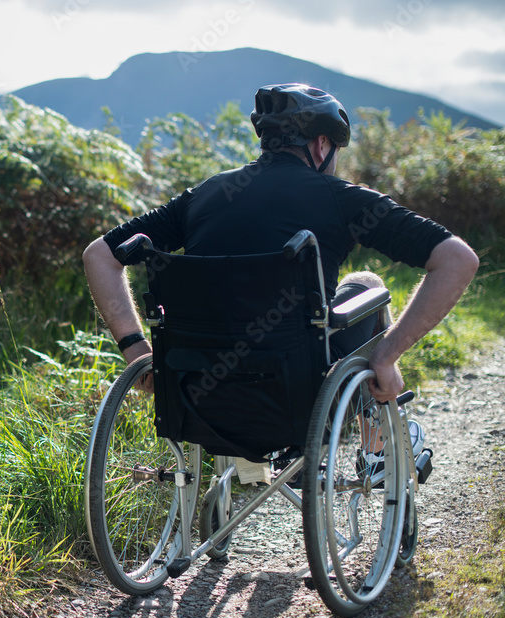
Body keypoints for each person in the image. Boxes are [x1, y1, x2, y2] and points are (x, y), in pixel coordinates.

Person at [83, 83, 479, 457]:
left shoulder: (201, 197)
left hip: (193, 395)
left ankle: (243, 468)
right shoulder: (344, 200)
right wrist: (388, 355)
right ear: (322, 144)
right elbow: (457, 259)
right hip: (299, 399)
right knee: (367, 285)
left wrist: (137, 352)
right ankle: (377, 445)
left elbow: (99, 255)